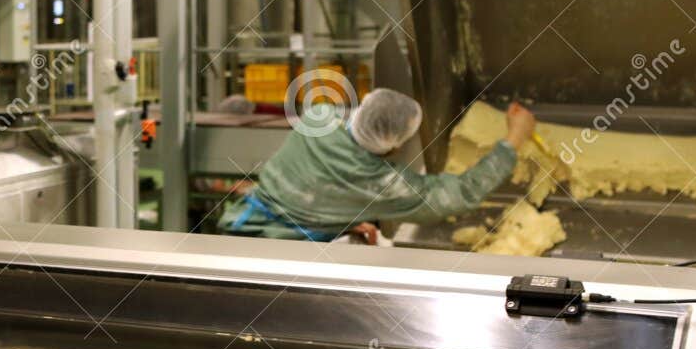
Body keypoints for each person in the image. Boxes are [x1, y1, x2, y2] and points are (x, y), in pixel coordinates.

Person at [219, 89, 537, 243]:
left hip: (237, 226)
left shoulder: (317, 117)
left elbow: (308, 190)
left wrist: (341, 220)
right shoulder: (380, 183)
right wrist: (513, 140)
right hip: (275, 251)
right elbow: (460, 194)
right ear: (395, 144)